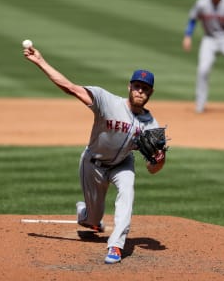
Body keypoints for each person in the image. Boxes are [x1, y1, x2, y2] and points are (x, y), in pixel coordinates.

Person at [23, 45, 166, 264]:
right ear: (129, 86)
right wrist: (40, 61)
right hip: (93, 164)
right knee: (92, 220)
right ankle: (87, 216)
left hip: (122, 164)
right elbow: (70, 88)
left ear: (151, 93)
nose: (140, 91)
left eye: (145, 89)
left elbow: (152, 169)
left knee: (127, 192)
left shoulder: (152, 126)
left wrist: (159, 161)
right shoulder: (107, 102)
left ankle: (116, 246)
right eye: (137, 86)